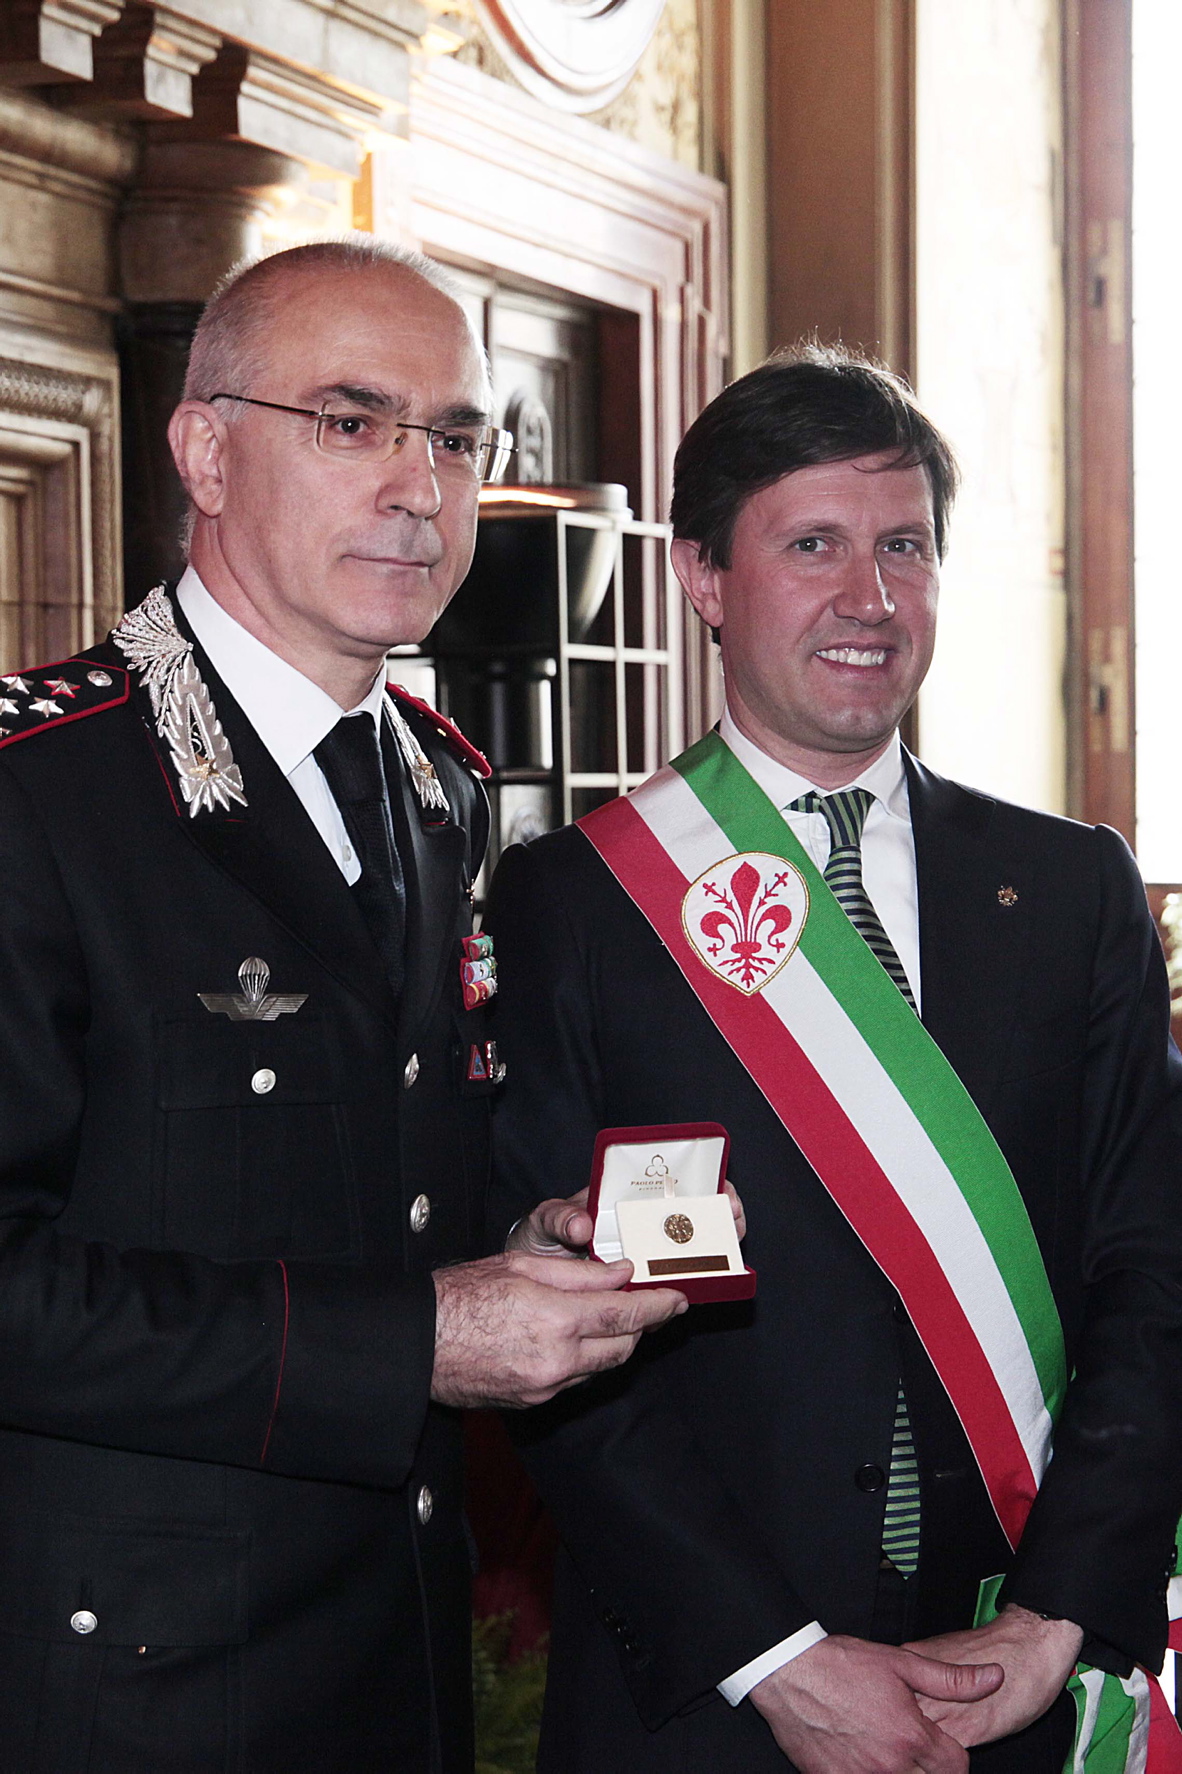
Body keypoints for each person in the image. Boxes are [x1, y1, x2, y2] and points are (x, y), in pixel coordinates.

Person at [0, 237, 687, 1773]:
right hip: (138, 1692)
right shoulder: (44, 793)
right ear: (205, 450)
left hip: (395, 1664)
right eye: (351, 419)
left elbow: (367, 1186)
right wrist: (418, 1343)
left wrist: (511, 1256)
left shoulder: (438, 783)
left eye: (454, 435)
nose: (420, 483)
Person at [485, 345, 1182, 1772]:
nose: (869, 598)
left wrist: (1056, 1616)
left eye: (904, 546)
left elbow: (1149, 1268)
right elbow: (555, 1341)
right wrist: (777, 1661)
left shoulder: (1067, 888)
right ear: (700, 577)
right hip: (710, 1685)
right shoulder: (581, 901)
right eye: (812, 544)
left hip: (1013, 1672)